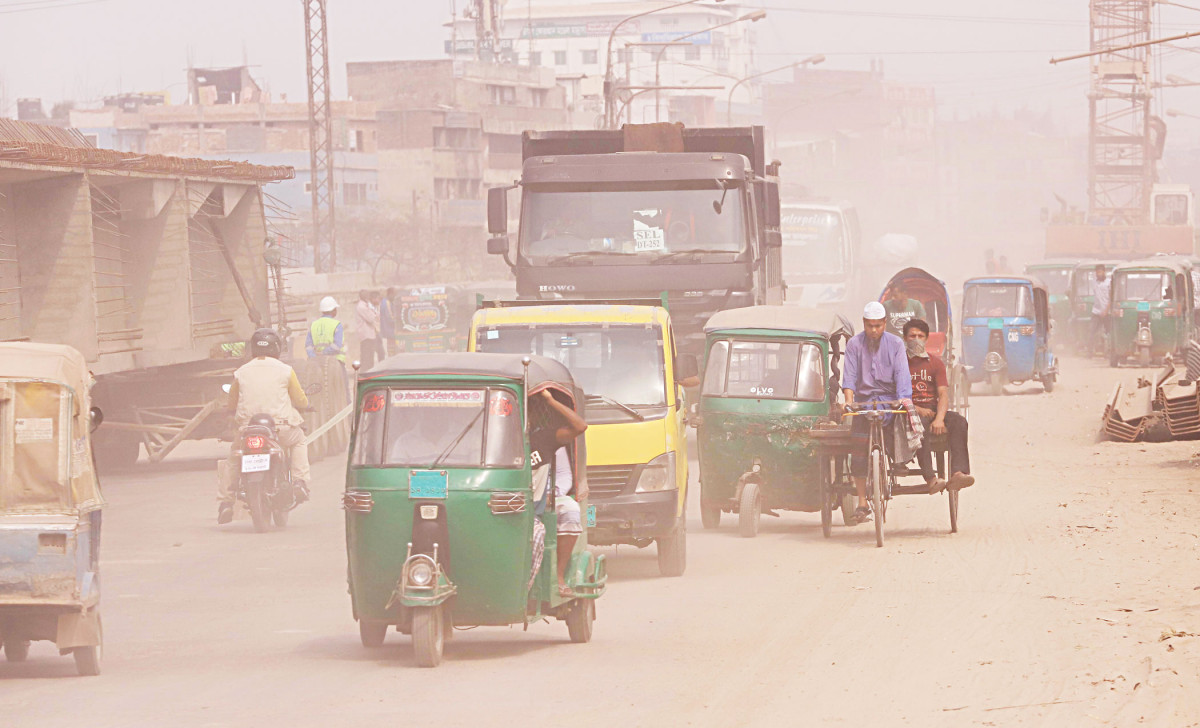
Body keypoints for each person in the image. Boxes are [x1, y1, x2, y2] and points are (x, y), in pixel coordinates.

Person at [219, 328, 310, 524]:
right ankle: (299, 482)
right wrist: (305, 406)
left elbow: (232, 404)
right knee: (300, 440)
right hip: (280, 429)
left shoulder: (240, 373)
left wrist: (231, 415)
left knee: (234, 458)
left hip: (247, 430)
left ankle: (226, 502)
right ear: (277, 348)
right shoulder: (286, 370)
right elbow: (300, 400)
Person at [841, 301, 913, 523]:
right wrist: (849, 401)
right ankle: (863, 503)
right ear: (864, 324)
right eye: (870, 326)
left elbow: (902, 373)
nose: (874, 330)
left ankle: (898, 461)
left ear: (885, 324)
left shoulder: (896, 344)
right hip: (863, 404)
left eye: (878, 326)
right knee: (859, 454)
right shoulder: (854, 344)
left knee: (898, 432)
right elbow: (850, 377)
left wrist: (902, 398)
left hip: (888, 402)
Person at [902, 318, 974, 494]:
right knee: (919, 426)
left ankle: (958, 472)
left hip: (933, 410)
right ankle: (931, 478)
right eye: (912, 336)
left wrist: (940, 418)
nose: (916, 339)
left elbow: (943, 394)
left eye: (920, 336)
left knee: (959, 422)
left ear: (926, 339)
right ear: (905, 338)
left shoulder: (935, 363)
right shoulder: (899, 363)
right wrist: (917, 410)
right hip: (909, 412)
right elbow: (898, 395)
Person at [528, 389, 588, 596]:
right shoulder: (496, 441)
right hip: (511, 504)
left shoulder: (543, 438)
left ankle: (558, 575)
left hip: (539, 502)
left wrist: (550, 400)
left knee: (569, 511)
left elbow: (580, 426)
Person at [305, 296, 345, 362]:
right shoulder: (337, 325)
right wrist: (323, 353)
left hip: (317, 362)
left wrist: (313, 357)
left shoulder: (314, 325)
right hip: (336, 362)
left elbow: (308, 346)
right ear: (333, 310)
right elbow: (337, 346)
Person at [1089, 264, 1112, 356]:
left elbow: (1111, 298)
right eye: (1097, 272)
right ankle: (1090, 352)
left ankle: (1109, 352)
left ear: (1104, 272)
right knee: (1091, 331)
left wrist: (1106, 310)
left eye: (1100, 272)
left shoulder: (1109, 282)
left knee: (1109, 332)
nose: (1099, 274)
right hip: (1096, 311)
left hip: (1107, 312)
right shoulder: (1094, 282)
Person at [355, 289, 381, 370]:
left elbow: (375, 315)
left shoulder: (367, 305)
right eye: (365, 294)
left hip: (370, 334)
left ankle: (369, 372)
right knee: (366, 357)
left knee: (370, 357)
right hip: (366, 335)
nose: (367, 296)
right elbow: (371, 318)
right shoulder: (361, 306)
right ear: (362, 296)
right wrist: (375, 315)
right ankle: (365, 374)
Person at [379, 287, 397, 357]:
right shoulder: (387, 303)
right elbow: (390, 318)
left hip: (387, 331)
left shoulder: (386, 302)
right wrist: (398, 321)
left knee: (390, 351)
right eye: (394, 295)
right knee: (391, 351)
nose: (395, 297)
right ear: (390, 294)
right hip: (388, 331)